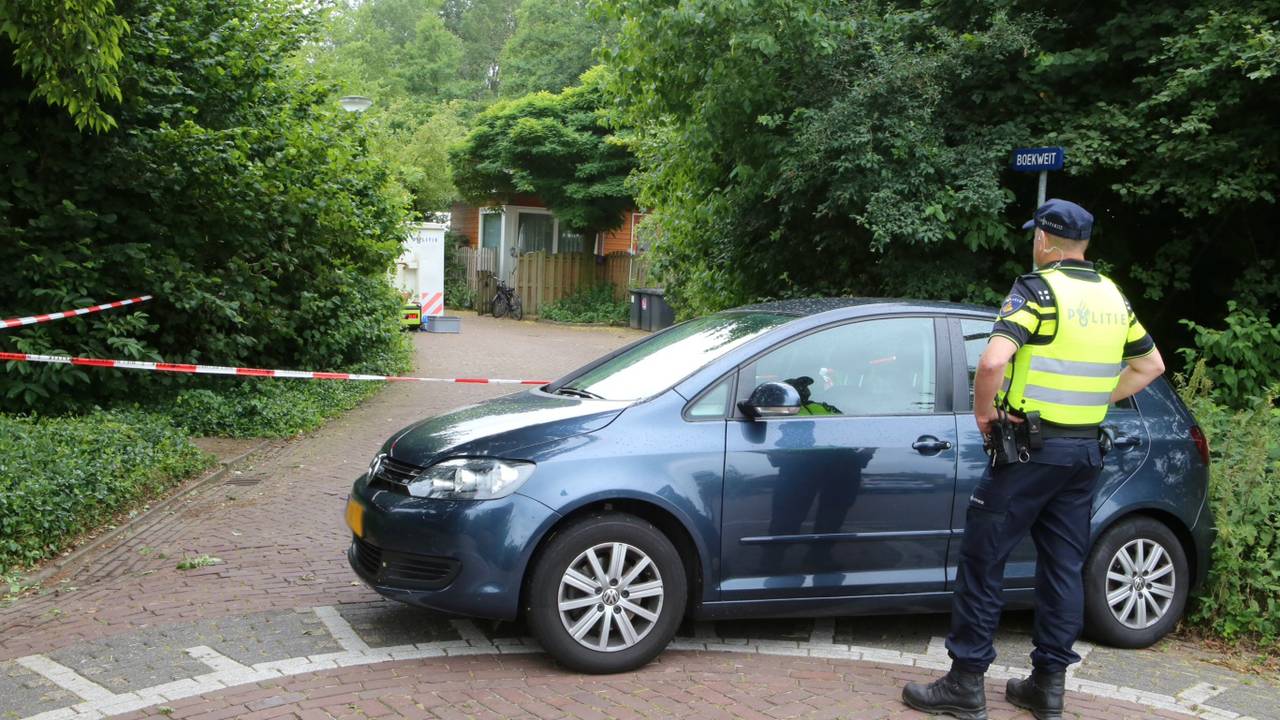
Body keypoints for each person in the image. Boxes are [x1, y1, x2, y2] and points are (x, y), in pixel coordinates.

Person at [901, 199, 1166, 720]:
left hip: (1028, 450)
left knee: (984, 558)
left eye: (1035, 236)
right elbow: (1150, 365)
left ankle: (965, 683)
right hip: (1084, 452)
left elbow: (993, 361)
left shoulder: (1038, 291)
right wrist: (1093, 402)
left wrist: (985, 415)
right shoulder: (1113, 298)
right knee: (1063, 566)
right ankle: (1047, 687)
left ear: (1044, 239)